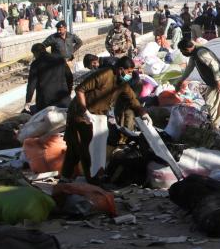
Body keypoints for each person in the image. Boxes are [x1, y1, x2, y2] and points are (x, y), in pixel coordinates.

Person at [63, 56, 150, 184]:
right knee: (83, 149)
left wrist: (144, 114)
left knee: (82, 149)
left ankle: (71, 178)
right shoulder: (104, 74)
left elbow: (132, 100)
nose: (130, 75)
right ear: (121, 69)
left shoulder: (122, 83)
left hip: (98, 117)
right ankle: (90, 180)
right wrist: (84, 110)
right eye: (129, 72)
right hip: (81, 115)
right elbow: (80, 89)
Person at [175, 39, 220, 129]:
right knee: (218, 101)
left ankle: (215, 126)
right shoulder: (194, 54)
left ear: (187, 49)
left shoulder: (201, 52)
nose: (182, 53)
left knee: (210, 101)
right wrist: (180, 81)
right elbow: (189, 68)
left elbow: (214, 65)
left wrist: (217, 82)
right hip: (214, 80)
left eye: (182, 51)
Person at [25, 43, 73, 112]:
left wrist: (28, 101)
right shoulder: (60, 59)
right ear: (44, 50)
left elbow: (31, 85)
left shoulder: (36, 64)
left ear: (36, 53)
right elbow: (69, 76)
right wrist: (68, 91)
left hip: (45, 102)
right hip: (63, 99)